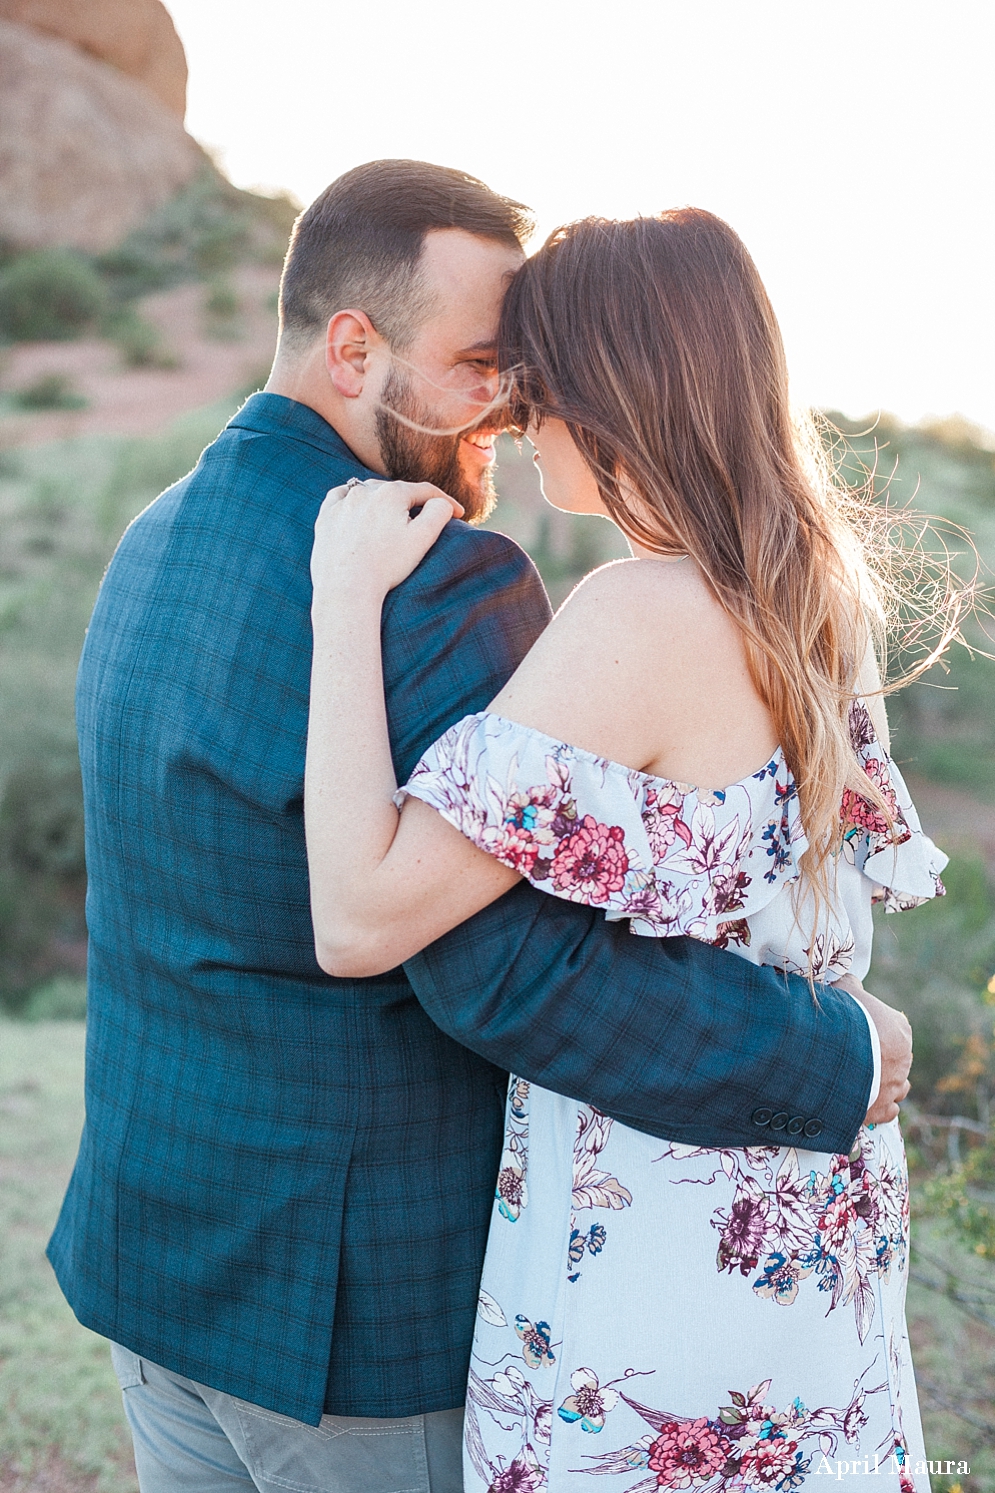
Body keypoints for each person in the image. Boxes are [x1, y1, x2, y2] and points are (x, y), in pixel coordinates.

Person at [49, 162, 908, 1493]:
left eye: (530, 370)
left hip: (158, 1267)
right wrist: (832, 1054)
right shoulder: (445, 577)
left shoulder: (156, 537)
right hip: (351, 1311)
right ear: (354, 348)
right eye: (481, 363)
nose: (506, 408)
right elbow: (502, 967)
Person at [303, 210, 948, 1491]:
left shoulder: (642, 613)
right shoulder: (819, 588)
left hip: (660, 1222)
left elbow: (359, 915)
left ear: (605, 394)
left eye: (528, 385)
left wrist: (341, 595)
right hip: (805, 1216)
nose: (507, 424)